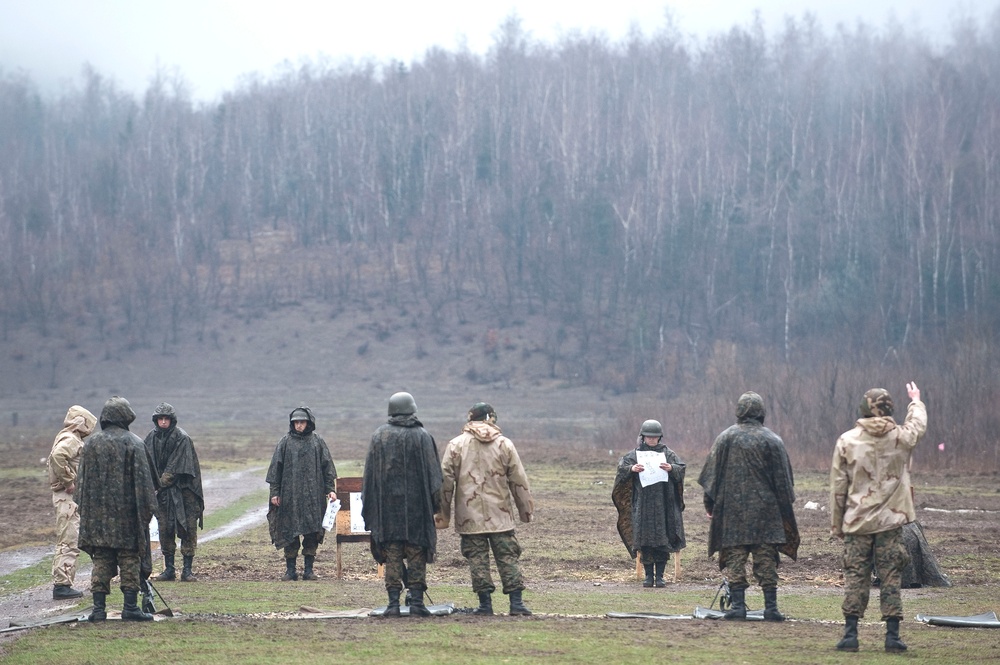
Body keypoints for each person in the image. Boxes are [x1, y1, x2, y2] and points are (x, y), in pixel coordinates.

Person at [831, 382, 926, 653]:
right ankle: (892, 637)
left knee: (856, 576)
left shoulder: (847, 441)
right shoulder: (901, 438)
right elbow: (918, 425)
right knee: (891, 576)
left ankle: (850, 635)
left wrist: (837, 525)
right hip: (890, 521)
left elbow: (838, 488)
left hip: (857, 522)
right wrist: (915, 401)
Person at [698, 391, 799, 621]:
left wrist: (710, 505)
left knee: (735, 559)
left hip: (732, 514)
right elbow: (784, 483)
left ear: (739, 411)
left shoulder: (725, 438)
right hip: (767, 514)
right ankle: (771, 608)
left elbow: (711, 478)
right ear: (761, 412)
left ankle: (738, 608)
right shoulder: (773, 440)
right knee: (766, 561)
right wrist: (784, 510)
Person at [438, 402, 535, 616]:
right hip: (500, 514)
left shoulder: (455, 445)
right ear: (491, 418)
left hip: (468, 516)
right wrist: (525, 511)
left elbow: (445, 483)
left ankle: (485, 605)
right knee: (508, 557)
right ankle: (516, 604)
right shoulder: (505, 444)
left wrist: (442, 515)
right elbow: (519, 480)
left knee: (477, 559)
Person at [75, 396, 157, 622]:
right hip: (127, 519)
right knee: (130, 558)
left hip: (97, 519)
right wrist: (146, 513)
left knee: (101, 559)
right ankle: (130, 607)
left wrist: (87, 512)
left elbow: (81, 484)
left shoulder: (91, 443)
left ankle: (98, 609)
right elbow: (145, 484)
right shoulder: (134, 443)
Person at [362, 392, 442, 617]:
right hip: (418, 511)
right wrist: (436, 507)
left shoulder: (379, 436)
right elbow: (435, 477)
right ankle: (416, 602)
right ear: (412, 409)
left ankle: (393, 604)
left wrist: (369, 510)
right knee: (417, 555)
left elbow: (369, 477)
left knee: (392, 556)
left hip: (387, 512)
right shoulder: (423, 436)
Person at [266, 406, 337, 581]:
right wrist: (275, 493)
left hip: (314, 497)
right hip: (289, 497)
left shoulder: (317, 442)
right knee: (289, 531)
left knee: (312, 531)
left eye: (302, 422)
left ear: (308, 423)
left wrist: (331, 489)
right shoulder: (285, 442)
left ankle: (308, 569)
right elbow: (276, 469)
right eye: (296, 422)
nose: (299, 425)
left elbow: (327, 467)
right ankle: (290, 571)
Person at [612, 419, 686, 588]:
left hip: (663, 505)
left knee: (662, 540)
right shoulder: (634, 455)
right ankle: (648, 576)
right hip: (642, 504)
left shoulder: (668, 454)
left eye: (655, 437)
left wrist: (671, 468)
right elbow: (621, 469)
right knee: (644, 541)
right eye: (648, 437)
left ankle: (660, 576)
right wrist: (632, 470)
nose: (652, 440)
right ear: (643, 437)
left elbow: (681, 468)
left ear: (659, 437)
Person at [144, 402, 205, 582]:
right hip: (163, 493)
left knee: (187, 529)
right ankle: (169, 569)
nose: (163, 422)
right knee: (164, 528)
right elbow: (145, 462)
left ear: (172, 420)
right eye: (160, 419)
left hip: (185, 491)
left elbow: (175, 468)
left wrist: (157, 484)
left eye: (166, 419)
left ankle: (187, 570)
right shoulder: (151, 438)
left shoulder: (182, 438)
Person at [46, 405, 98, 600]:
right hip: (67, 498)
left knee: (70, 539)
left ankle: (64, 583)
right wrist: (69, 482)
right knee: (69, 540)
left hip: (67, 498)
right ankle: (62, 585)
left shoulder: (66, 436)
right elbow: (58, 457)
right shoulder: (70, 439)